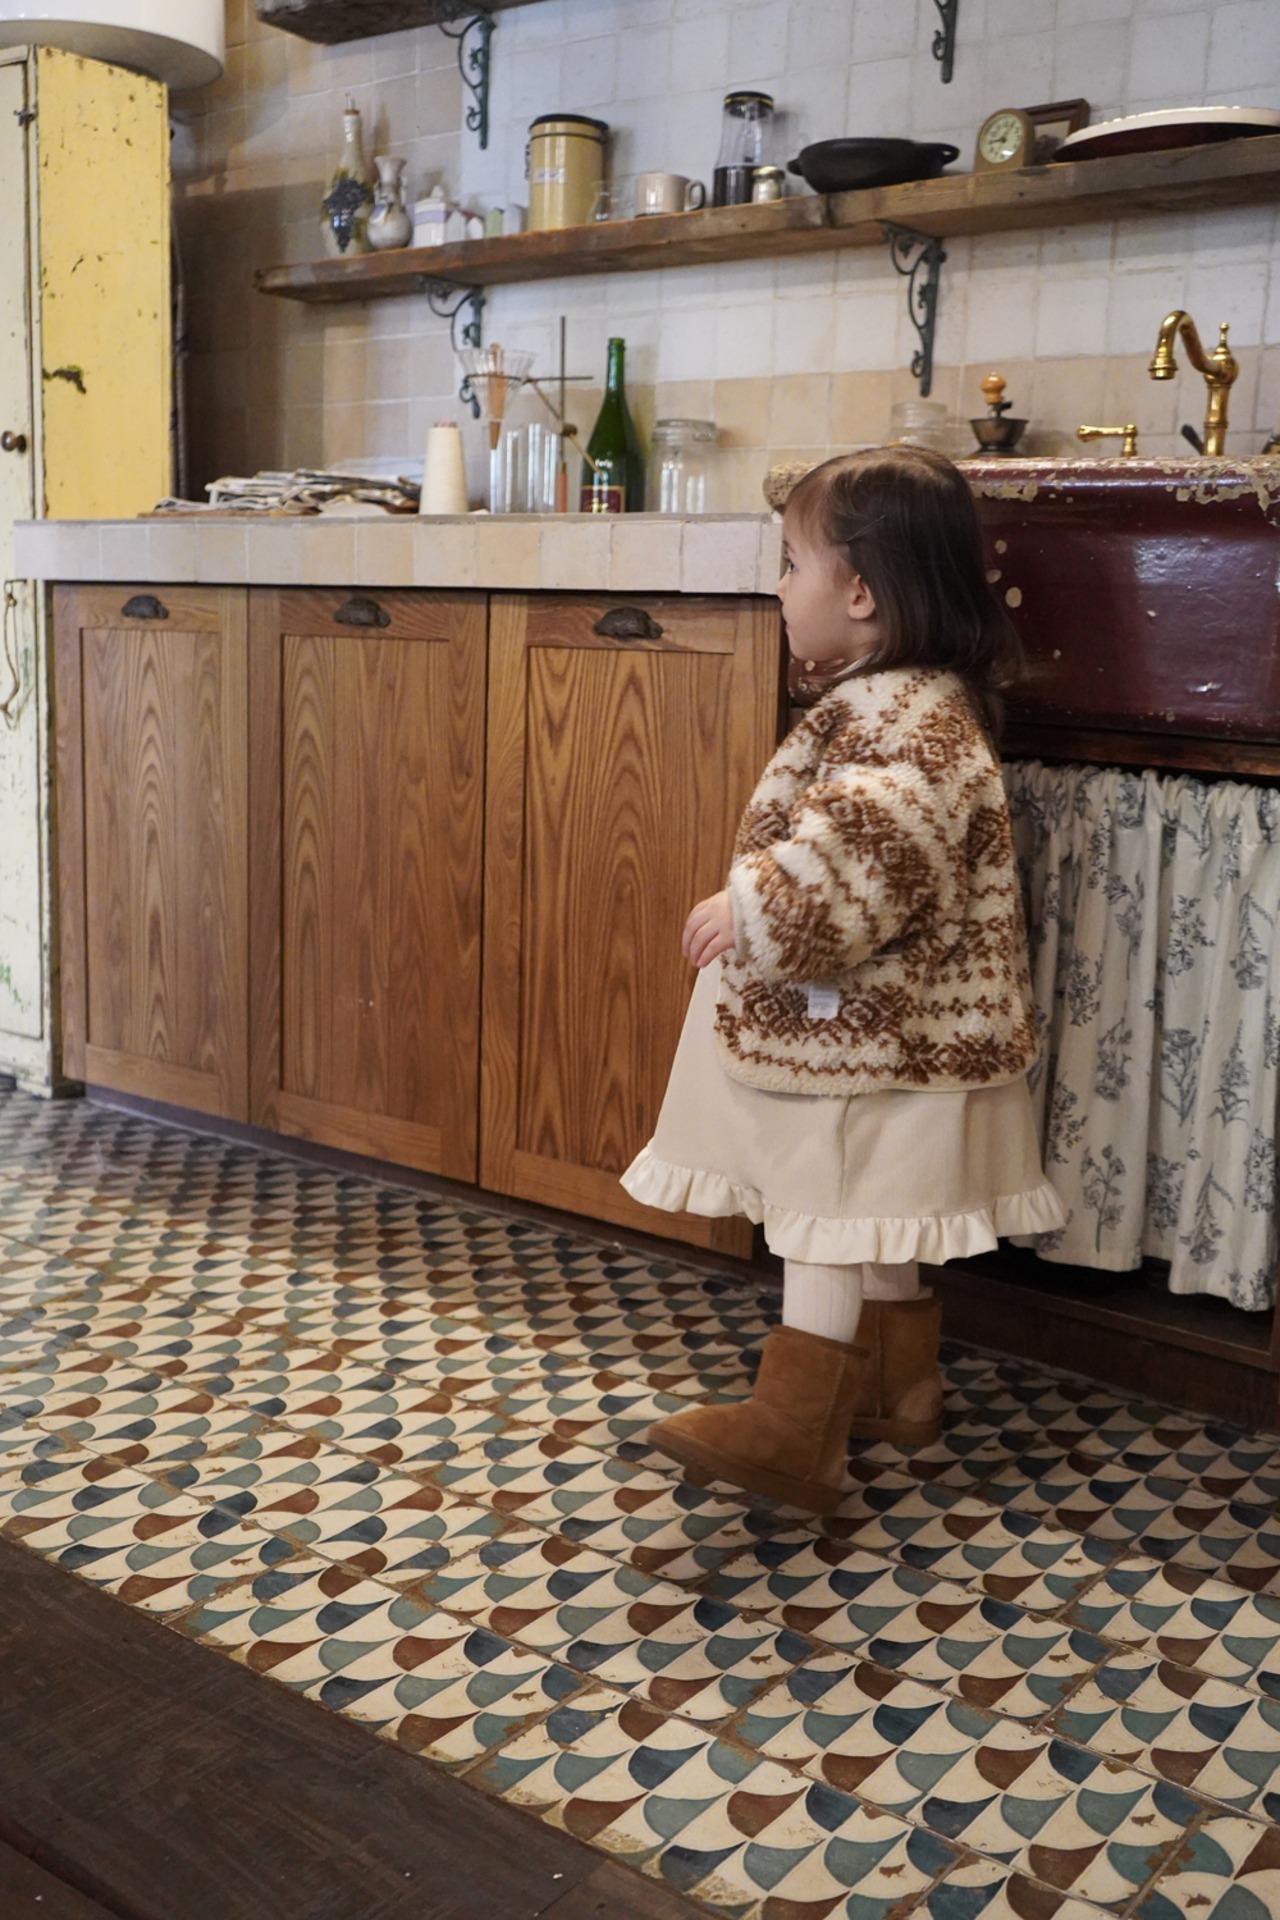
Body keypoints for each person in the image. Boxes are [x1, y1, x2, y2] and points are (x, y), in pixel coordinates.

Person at [620, 445, 1064, 1514]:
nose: (777, 588)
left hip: (862, 1034)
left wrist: (754, 907)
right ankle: (894, 1389)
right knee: (879, 1212)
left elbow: (868, 852)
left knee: (824, 1205)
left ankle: (793, 1431)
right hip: (908, 1032)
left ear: (858, 593)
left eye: (789, 565)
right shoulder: (922, 702)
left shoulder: (892, 718)